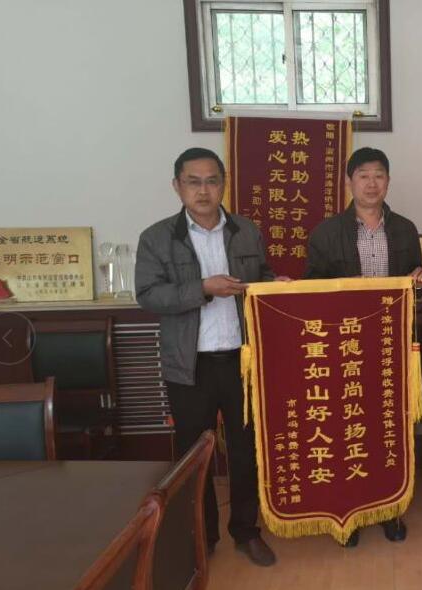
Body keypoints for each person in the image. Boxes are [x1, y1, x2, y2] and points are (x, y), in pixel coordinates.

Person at [135, 147, 281, 567]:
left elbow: (261, 278)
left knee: (246, 450)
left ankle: (246, 531)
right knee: (194, 456)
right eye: (193, 182)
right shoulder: (157, 237)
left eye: (212, 181)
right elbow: (149, 295)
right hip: (189, 364)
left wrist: (274, 285)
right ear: (177, 186)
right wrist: (202, 288)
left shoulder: (246, 231)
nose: (203, 190)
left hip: (241, 360)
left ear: (224, 184)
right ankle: (203, 535)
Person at [304, 146, 422, 546]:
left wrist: (420, 281)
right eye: (363, 175)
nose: (371, 183)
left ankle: (390, 509)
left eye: (379, 175)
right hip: (345, 350)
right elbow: (312, 292)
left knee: (390, 428)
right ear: (349, 182)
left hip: (392, 347)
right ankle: (352, 514)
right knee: (348, 430)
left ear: (388, 181)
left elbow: (414, 287)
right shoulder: (326, 233)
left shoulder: (405, 229)